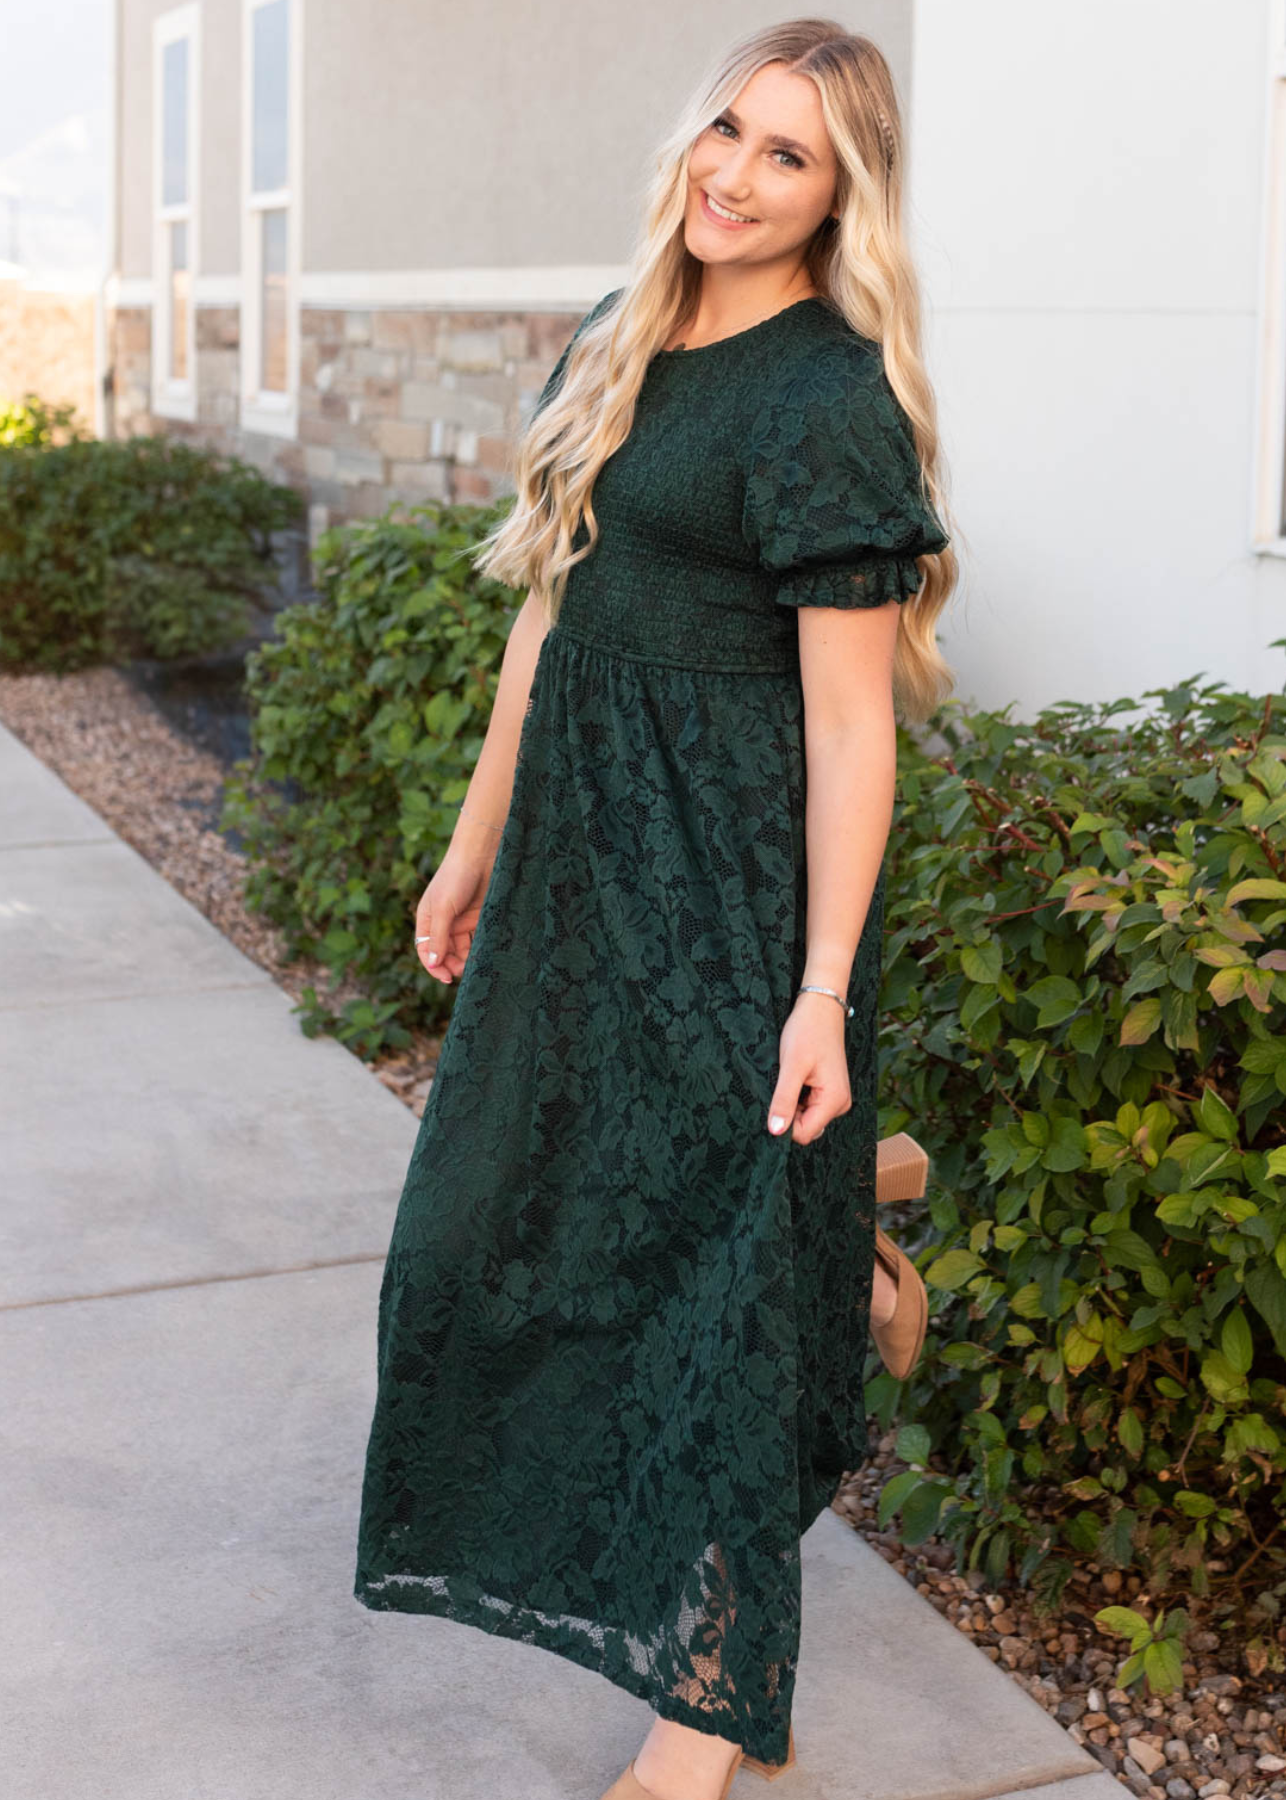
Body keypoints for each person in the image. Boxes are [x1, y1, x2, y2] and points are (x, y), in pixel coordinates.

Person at [353, 19, 957, 1800]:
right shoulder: (612, 344)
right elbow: (548, 623)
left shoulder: (827, 395)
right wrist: (472, 849)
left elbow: (851, 724)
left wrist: (820, 991)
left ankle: (699, 1721)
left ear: (841, 197)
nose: (736, 175)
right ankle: (818, 1251)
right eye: (726, 130)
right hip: (572, 882)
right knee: (488, 1241)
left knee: (711, 1291)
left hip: (729, 894)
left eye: (788, 156)